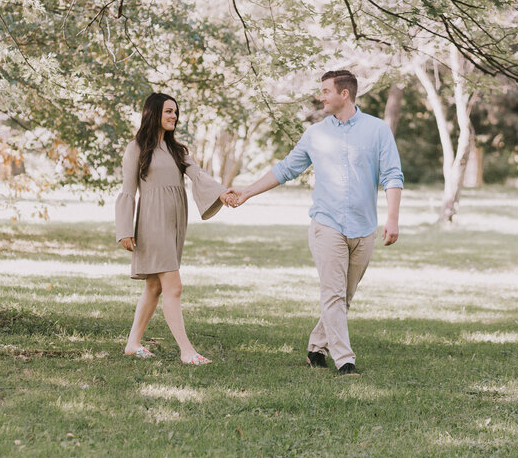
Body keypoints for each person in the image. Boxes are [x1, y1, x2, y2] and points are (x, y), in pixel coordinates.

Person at [225, 70, 403, 376]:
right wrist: (247, 192)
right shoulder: (315, 134)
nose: (320, 96)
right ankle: (345, 361)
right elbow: (285, 169)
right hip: (327, 224)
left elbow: (392, 175)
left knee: (344, 296)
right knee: (333, 294)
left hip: (364, 228)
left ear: (344, 94)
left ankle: (316, 348)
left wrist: (393, 218)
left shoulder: (377, 130)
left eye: (325, 91)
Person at [116, 92, 236, 365]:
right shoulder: (136, 147)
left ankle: (133, 344)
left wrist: (223, 195)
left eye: (175, 112)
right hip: (151, 222)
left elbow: (198, 175)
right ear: (153, 113)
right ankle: (186, 351)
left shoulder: (177, 149)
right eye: (168, 111)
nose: (173, 116)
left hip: (175, 223)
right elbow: (127, 191)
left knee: (154, 286)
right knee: (174, 286)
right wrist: (125, 229)